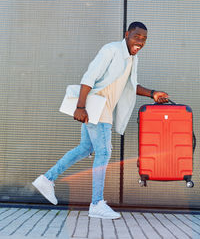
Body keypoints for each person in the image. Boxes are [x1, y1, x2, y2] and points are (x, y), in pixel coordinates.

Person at [32, 21, 169, 219]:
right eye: (136, 36)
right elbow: (89, 77)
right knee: (103, 152)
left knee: (85, 148)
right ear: (127, 34)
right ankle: (96, 203)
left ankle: (47, 179)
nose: (140, 42)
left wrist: (153, 93)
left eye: (144, 39)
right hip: (96, 108)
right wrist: (80, 107)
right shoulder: (111, 50)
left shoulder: (132, 58)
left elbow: (129, 86)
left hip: (100, 109)